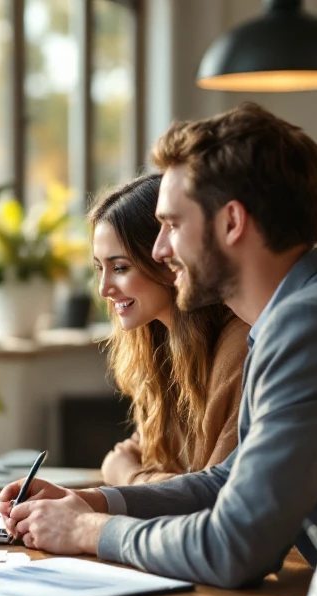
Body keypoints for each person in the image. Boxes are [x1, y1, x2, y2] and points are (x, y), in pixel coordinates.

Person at [0, 102, 317, 592]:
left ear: (231, 222)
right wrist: (96, 502)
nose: (159, 249)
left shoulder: (313, 325)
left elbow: (234, 548)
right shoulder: (303, 309)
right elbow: (227, 480)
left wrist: (87, 531)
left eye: (172, 225)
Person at [92, 173, 248, 487]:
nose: (103, 289)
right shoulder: (159, 343)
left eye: (120, 267)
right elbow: (142, 450)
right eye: (99, 267)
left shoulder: (240, 346)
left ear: (168, 258)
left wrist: (129, 475)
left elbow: (215, 497)